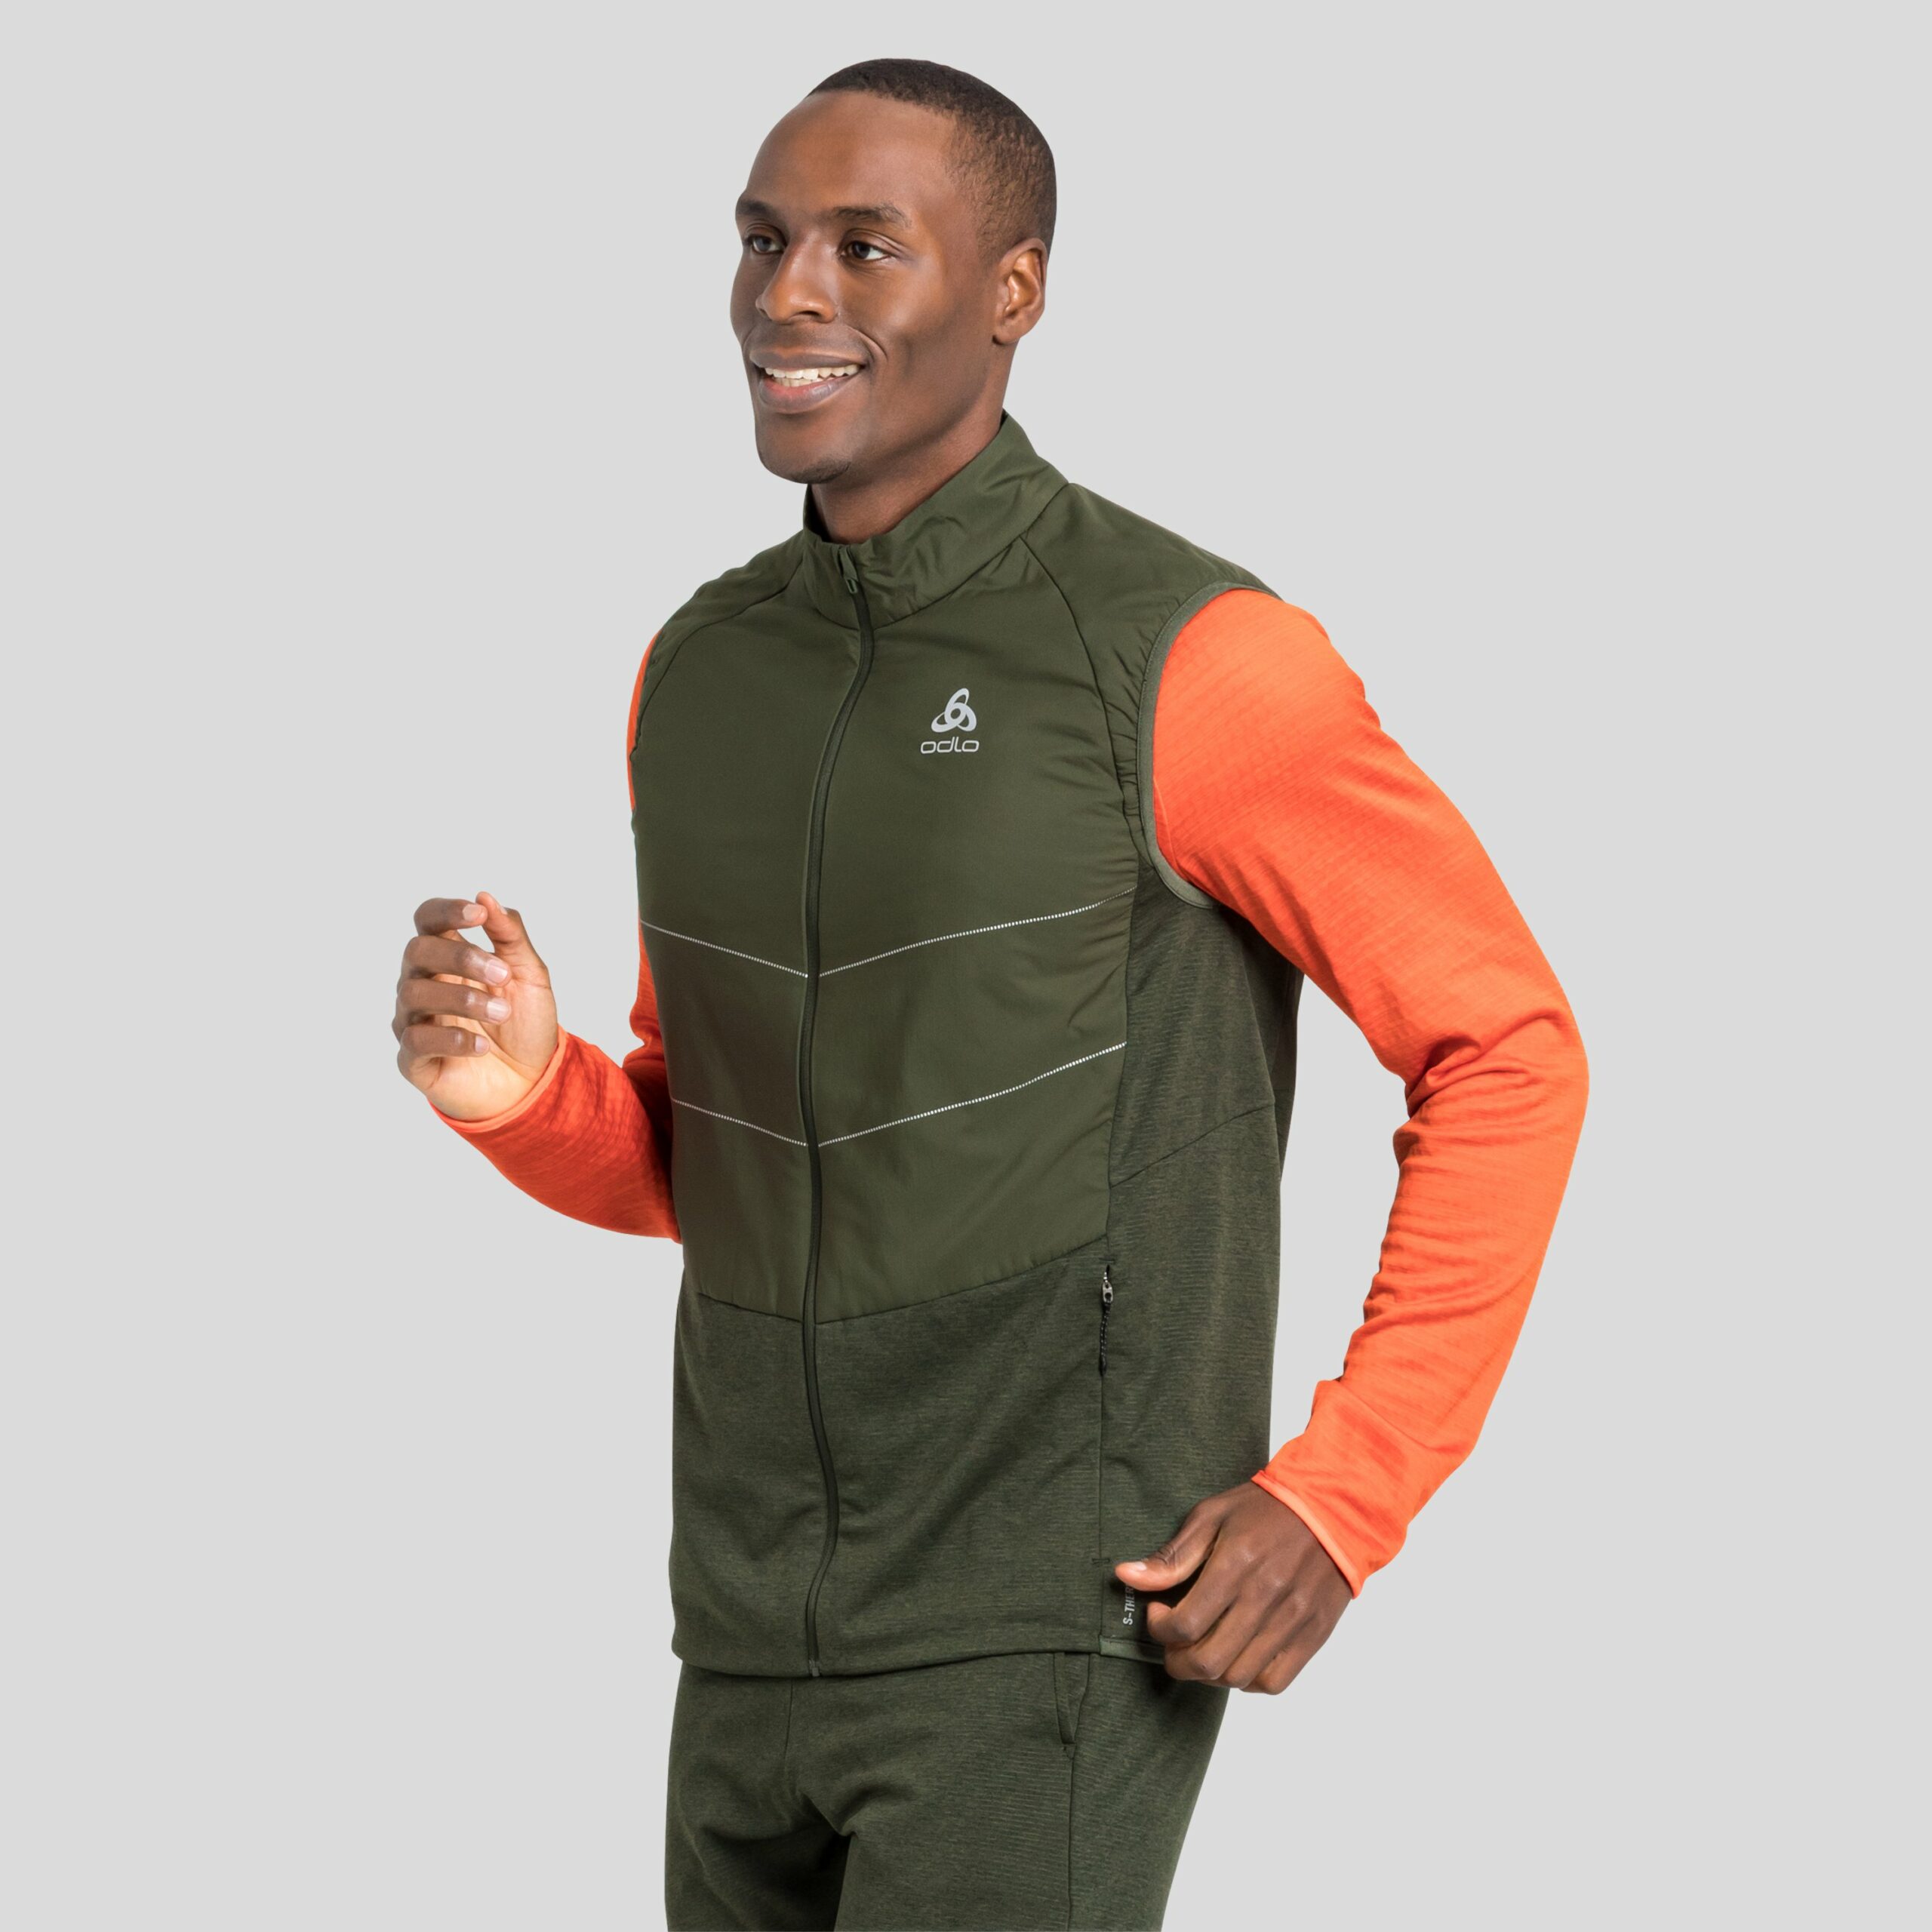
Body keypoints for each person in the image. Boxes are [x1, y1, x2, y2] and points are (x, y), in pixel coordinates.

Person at [392, 57, 1588, 1932]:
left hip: (1046, 1618)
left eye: (864, 246)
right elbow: (730, 1165)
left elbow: (1504, 1046)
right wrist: (523, 1096)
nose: (788, 292)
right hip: (742, 1623)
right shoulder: (698, 674)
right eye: (762, 240)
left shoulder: (1187, 660)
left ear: (1013, 289)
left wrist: (1342, 1489)